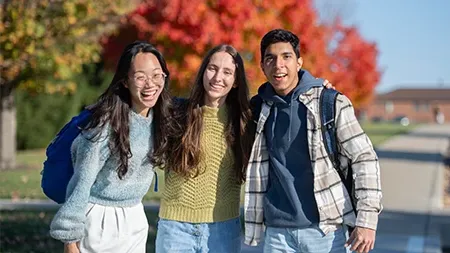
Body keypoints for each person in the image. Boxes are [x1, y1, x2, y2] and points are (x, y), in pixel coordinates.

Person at [244, 29, 382, 253]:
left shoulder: (329, 102)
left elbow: (364, 158)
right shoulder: (258, 109)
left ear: (299, 62)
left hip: (325, 233)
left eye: (286, 57)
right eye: (270, 58)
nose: (278, 65)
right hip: (277, 235)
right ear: (262, 66)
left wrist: (367, 220)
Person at [49, 41, 175, 253]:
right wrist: (70, 240)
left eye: (157, 75)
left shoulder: (159, 119)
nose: (150, 84)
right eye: (140, 77)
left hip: (135, 216)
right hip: (100, 219)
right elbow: (83, 179)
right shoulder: (105, 124)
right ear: (126, 81)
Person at [154, 44, 253, 253]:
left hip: (223, 229)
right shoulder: (176, 112)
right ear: (203, 72)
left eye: (227, 72)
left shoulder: (244, 121)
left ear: (236, 82)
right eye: (212, 68)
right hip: (175, 229)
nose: (218, 77)